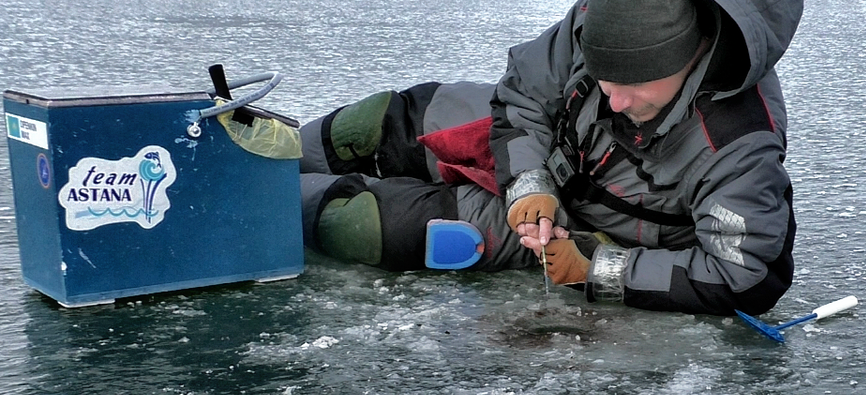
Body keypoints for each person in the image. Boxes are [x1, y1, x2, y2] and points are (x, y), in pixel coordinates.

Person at [299, 0, 804, 315]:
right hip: (544, 152)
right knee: (376, 124)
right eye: (604, 82)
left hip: (584, 232)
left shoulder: (739, 144)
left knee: (365, 226)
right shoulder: (594, 17)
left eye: (634, 86)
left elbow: (744, 275)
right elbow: (521, 94)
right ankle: (256, 156)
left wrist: (597, 269)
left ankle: (261, 209)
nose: (616, 102)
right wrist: (528, 184)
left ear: (689, 59)